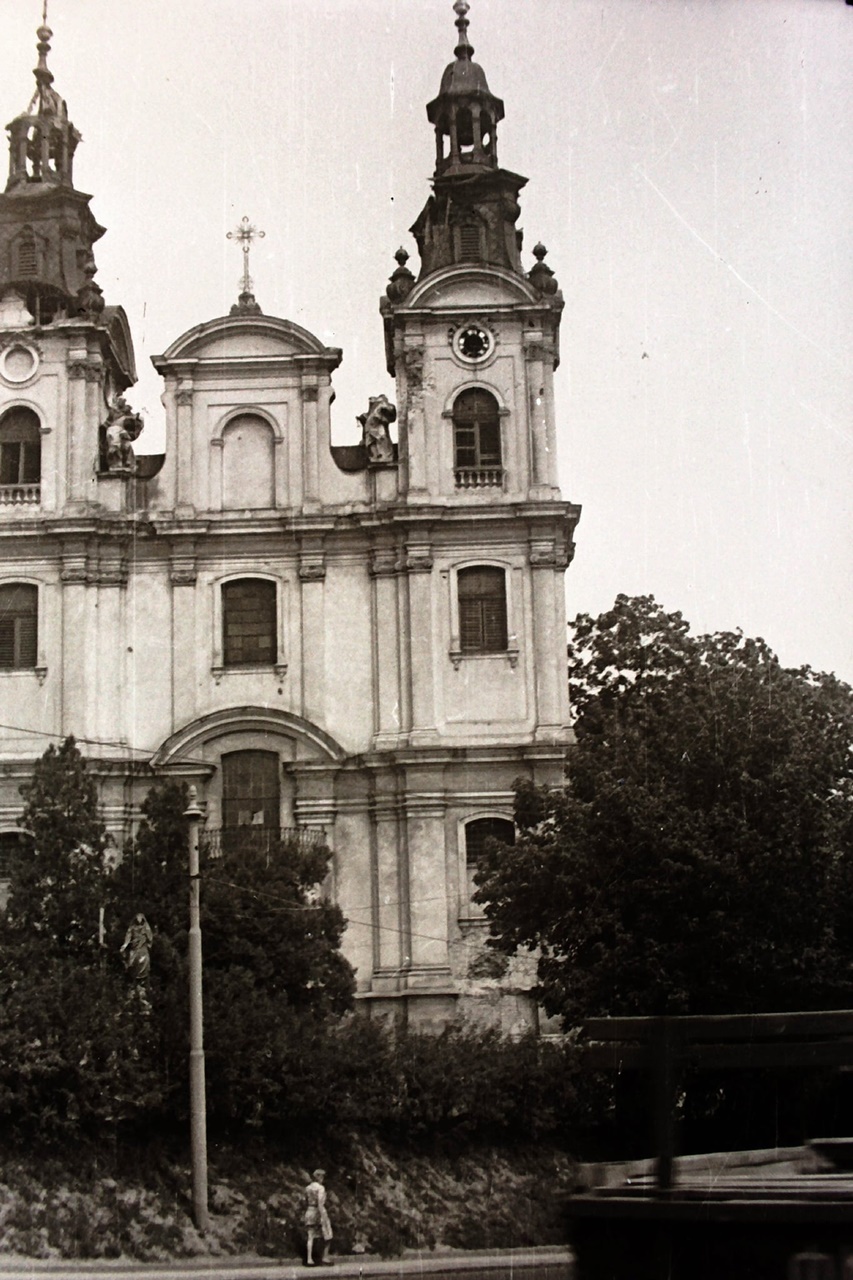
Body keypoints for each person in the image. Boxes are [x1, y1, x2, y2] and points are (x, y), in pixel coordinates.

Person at [303, 1168, 332, 1265]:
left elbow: (305, 1201)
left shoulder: (308, 1188)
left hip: (309, 1210)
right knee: (327, 1234)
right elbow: (320, 1203)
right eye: (322, 1176)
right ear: (319, 1177)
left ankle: (309, 1259)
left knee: (310, 1236)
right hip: (318, 1211)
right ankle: (325, 1256)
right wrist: (322, 1216)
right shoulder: (321, 1188)